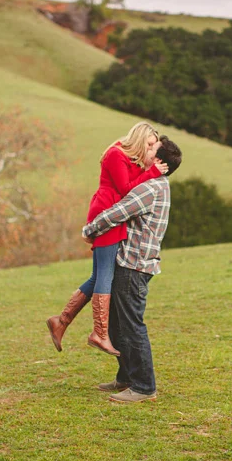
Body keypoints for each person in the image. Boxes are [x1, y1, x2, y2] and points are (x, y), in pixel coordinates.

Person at [46, 122, 169, 356]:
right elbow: (125, 189)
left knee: (98, 275)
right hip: (106, 212)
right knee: (105, 275)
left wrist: (148, 169)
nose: (152, 149)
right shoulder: (116, 153)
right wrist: (151, 172)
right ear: (139, 138)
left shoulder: (130, 159)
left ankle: (61, 322)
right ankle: (99, 334)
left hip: (115, 216)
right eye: (150, 144)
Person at [82, 136, 182, 403]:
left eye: (151, 149)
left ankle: (144, 387)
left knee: (132, 325)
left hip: (134, 265)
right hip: (134, 262)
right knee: (118, 323)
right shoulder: (157, 184)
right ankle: (126, 376)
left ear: (159, 162)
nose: (146, 151)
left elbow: (117, 212)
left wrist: (89, 230)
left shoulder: (150, 188)